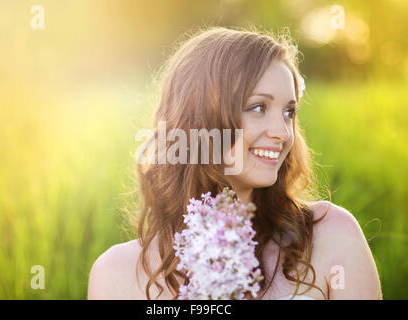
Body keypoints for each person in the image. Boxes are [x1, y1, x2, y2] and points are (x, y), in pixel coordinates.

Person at [87, 26, 382, 300]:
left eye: (289, 112)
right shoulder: (115, 275)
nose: (282, 133)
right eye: (258, 107)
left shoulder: (332, 236)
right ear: (199, 118)